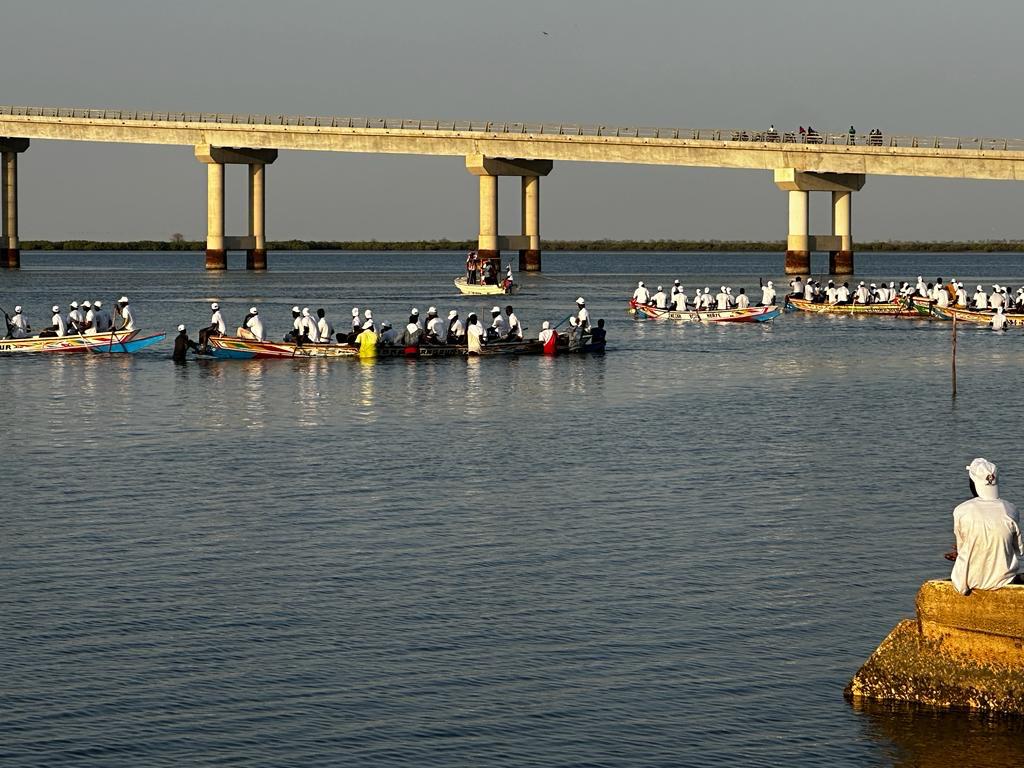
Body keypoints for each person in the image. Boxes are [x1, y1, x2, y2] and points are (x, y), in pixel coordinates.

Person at [948, 458, 1023, 595]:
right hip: (1004, 582)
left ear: (972, 483)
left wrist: (963, 550)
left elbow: (961, 547)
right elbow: (1018, 550)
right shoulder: (1011, 509)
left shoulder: (961, 510)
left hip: (968, 582)